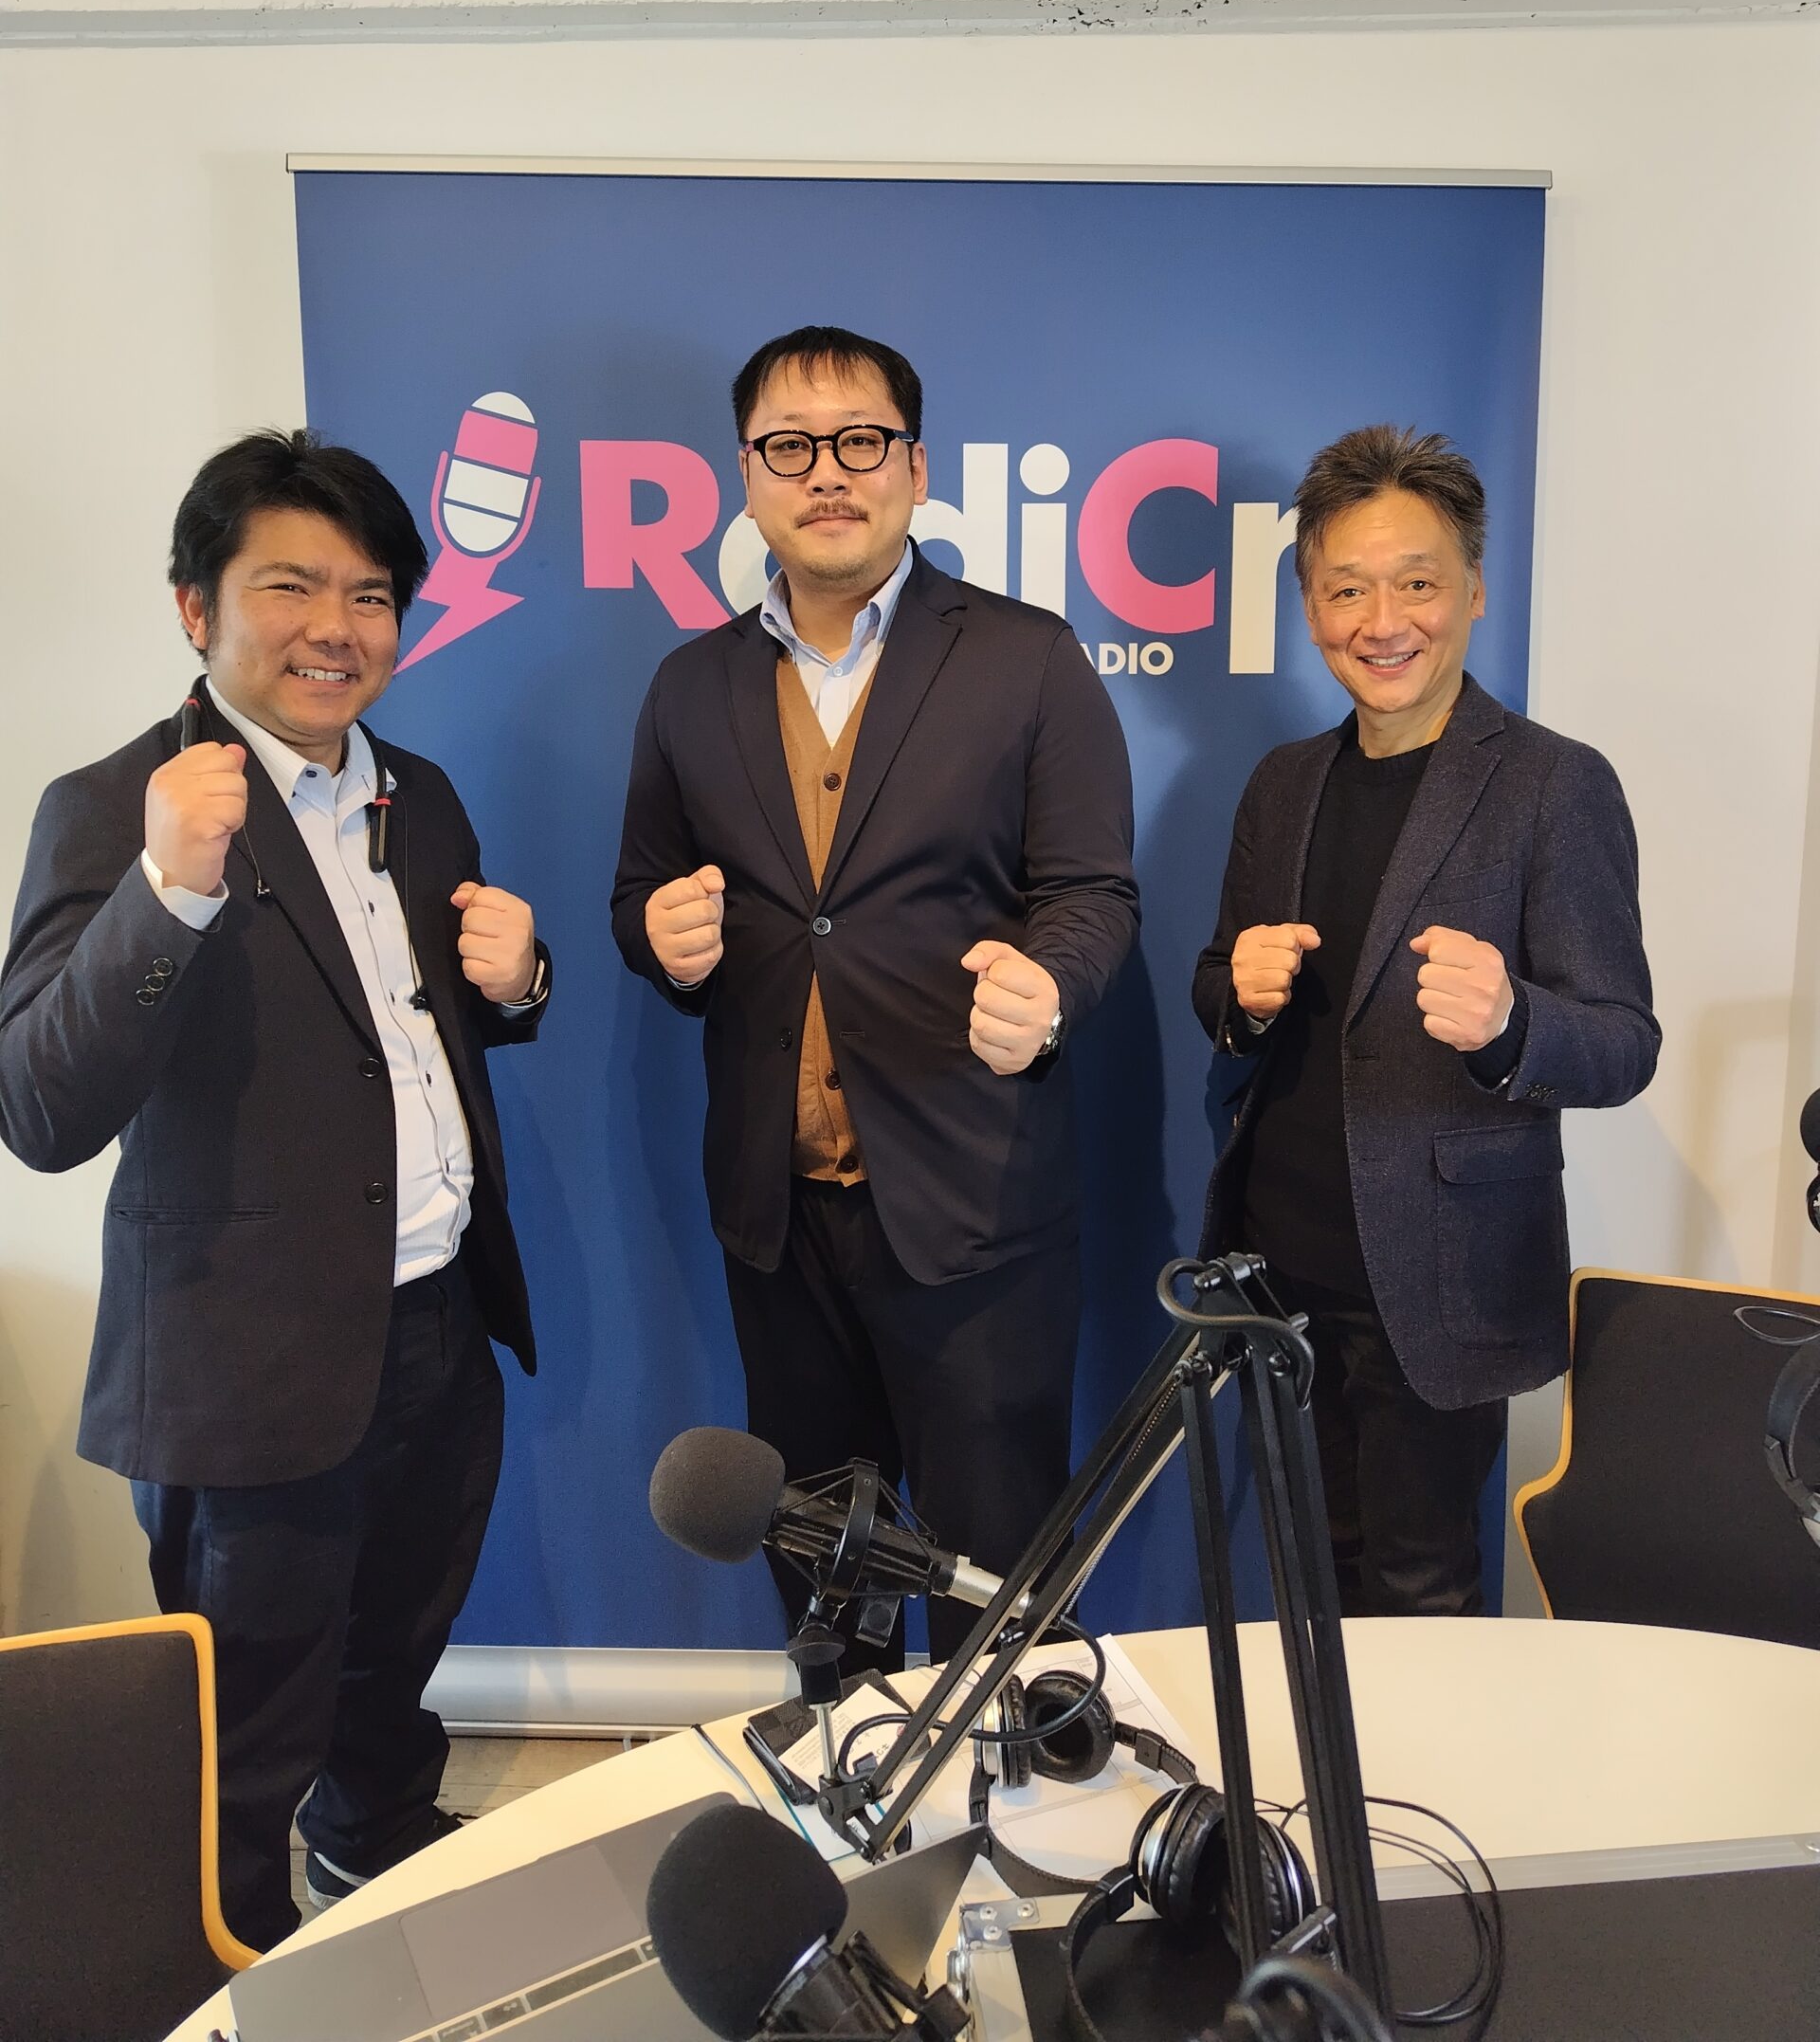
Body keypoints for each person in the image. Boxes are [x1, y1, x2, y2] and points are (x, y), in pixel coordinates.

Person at [0, 431, 551, 1949]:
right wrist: (166, 891)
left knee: (395, 1657)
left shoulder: (419, 795)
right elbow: (41, 1108)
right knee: (241, 1725)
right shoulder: (116, 806)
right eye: (289, 586)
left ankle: (377, 1847)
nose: (336, 627)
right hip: (247, 1359)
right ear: (198, 607)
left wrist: (524, 982)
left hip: (436, 1323)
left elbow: (414, 1031)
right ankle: (230, 1957)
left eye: (370, 595)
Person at [612, 324, 1138, 1663]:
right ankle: (844, 1771)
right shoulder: (690, 685)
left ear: (915, 467)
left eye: (860, 441)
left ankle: (1005, 1775)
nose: (827, 472)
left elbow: (1094, 893)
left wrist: (1053, 986)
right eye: (790, 447)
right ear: (747, 475)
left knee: (996, 1575)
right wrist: (660, 938)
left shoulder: (1027, 658)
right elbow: (641, 897)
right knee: (818, 1571)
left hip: (974, 1204)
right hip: (779, 1218)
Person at [1193, 425, 1658, 1615]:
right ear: (1310, 606)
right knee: (1309, 1583)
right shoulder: (1283, 782)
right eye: (1348, 588)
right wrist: (1237, 992)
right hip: (1278, 1267)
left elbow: (1623, 1039)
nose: (1383, 620)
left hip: (1439, 1275)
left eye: (1417, 583)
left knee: (1421, 1599)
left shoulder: (1555, 781)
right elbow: (1221, 985)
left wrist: (1510, 1022)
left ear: (1475, 590)